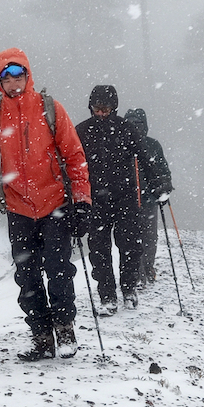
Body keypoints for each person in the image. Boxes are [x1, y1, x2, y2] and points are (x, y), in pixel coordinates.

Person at [0, 48, 91, 361]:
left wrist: (82, 201)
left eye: (18, 75)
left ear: (28, 75)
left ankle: (64, 328)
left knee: (59, 269)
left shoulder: (50, 108)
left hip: (55, 203)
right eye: (6, 77)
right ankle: (42, 336)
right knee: (27, 275)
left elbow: (74, 156)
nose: (14, 82)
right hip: (18, 207)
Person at [75, 85, 155, 314]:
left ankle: (129, 289)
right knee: (99, 250)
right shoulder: (81, 131)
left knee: (130, 246)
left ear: (114, 107)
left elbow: (144, 158)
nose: (100, 113)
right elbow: (71, 163)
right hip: (95, 201)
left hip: (125, 199)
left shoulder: (127, 129)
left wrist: (157, 184)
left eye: (105, 108)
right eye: (96, 108)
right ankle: (107, 296)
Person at [123, 108, 174, 288]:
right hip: (128, 201)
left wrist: (163, 186)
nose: (134, 128)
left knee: (147, 237)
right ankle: (136, 273)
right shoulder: (123, 144)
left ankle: (146, 268)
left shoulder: (152, 145)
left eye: (137, 125)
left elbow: (163, 170)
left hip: (147, 200)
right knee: (136, 237)